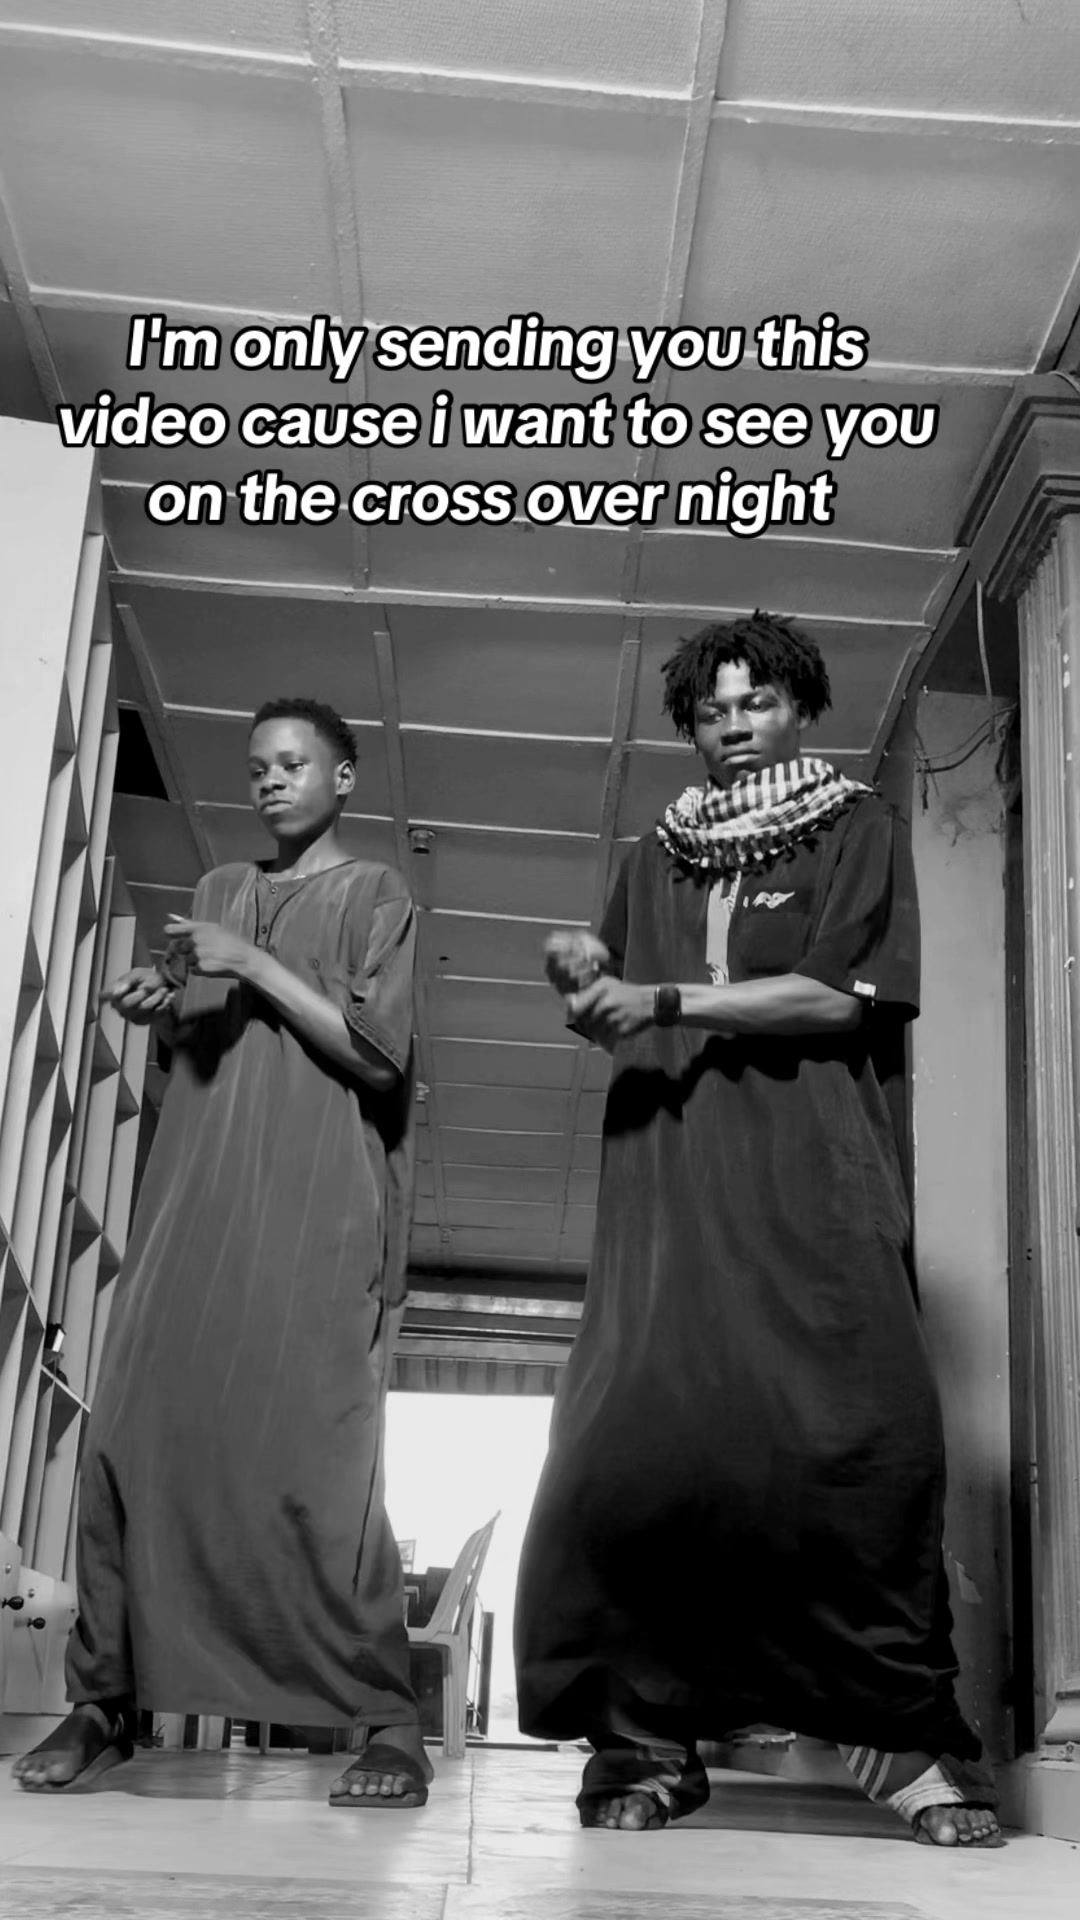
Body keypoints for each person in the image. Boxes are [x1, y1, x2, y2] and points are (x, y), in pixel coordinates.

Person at [514, 611, 1001, 1847]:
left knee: (857, 1439)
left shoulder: (856, 827)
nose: (733, 725)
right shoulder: (657, 853)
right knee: (634, 1456)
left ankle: (896, 1742)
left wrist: (663, 996)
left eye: (757, 703)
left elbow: (840, 998)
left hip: (811, 1175)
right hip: (669, 1186)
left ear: (800, 709)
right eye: (712, 710)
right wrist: (585, 985)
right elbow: (616, 1001)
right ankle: (645, 1740)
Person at [14, 698, 431, 1811]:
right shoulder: (215, 891)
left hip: (317, 1204)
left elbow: (378, 1057)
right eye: (257, 768)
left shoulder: (376, 893)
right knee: (134, 1437)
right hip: (195, 1198)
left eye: (293, 763)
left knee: (318, 1461)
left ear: (343, 778)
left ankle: (387, 1719)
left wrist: (247, 962)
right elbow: (206, 1042)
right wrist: (162, 1002)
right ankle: (105, 1700)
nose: (271, 781)